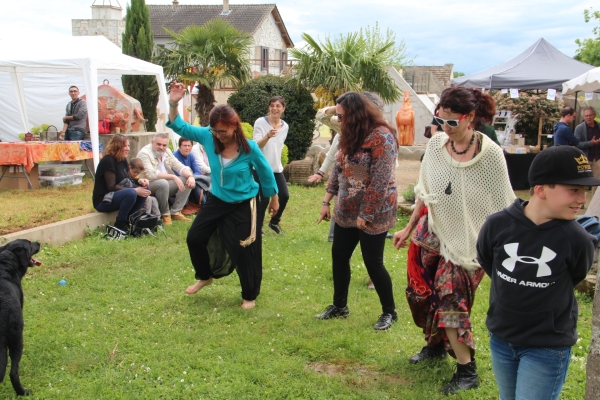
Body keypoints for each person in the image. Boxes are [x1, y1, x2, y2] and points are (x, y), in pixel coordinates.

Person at [393, 86, 515, 395]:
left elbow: (504, 205)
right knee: (419, 295)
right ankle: (434, 344)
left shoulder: (490, 155)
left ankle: (466, 370)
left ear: (470, 117)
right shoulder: (436, 146)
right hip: (430, 231)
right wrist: (407, 229)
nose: (445, 128)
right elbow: (426, 191)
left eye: (451, 122)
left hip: (469, 243)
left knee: (450, 301)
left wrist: (502, 249)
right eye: (440, 120)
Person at [477, 145, 599, 400]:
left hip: (547, 346)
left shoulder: (577, 240)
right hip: (502, 337)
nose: (582, 199)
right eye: (574, 190)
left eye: (586, 191)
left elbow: (575, 275)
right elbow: (490, 263)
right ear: (541, 189)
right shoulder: (497, 224)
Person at [166, 81, 279, 310]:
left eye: (223, 131)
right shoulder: (209, 136)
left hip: (243, 203)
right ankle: (205, 276)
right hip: (217, 199)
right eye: (215, 131)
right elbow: (181, 128)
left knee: (244, 248)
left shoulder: (249, 147)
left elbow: (266, 173)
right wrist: (173, 103)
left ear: (234, 127)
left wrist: (274, 198)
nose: (219, 135)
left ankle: (249, 295)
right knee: (195, 237)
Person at [316, 92, 399, 331]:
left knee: (373, 263)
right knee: (339, 256)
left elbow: (380, 180)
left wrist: (367, 214)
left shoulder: (382, 136)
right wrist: (326, 201)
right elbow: (338, 169)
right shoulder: (349, 133)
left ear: (356, 114)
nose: (339, 119)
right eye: (338, 115)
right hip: (347, 207)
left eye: (342, 115)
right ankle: (339, 306)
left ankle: (389, 312)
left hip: (375, 209)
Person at [92, 134, 150, 232]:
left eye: (128, 146)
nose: (128, 149)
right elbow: (111, 186)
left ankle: (132, 219)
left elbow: (127, 180)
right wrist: (135, 190)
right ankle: (120, 223)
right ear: (117, 147)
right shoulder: (108, 161)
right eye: (125, 146)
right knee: (132, 193)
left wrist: (139, 181)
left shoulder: (122, 160)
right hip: (104, 200)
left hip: (117, 196)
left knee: (145, 188)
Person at [136, 133, 195, 225]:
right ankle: (165, 214)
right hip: (147, 185)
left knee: (186, 179)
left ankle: (175, 212)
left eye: (164, 145)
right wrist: (173, 177)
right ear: (152, 142)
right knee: (163, 183)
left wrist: (191, 177)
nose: (161, 147)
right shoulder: (145, 153)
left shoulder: (167, 151)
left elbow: (179, 166)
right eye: (158, 144)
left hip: (165, 185)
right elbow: (151, 174)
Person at [253, 96, 289, 234]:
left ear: (283, 109)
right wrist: (267, 136)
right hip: (260, 167)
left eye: (278, 106)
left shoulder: (285, 127)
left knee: (284, 195)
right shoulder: (260, 123)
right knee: (264, 199)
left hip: (276, 168)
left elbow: (277, 147)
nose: (275, 108)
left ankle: (274, 222)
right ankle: (257, 228)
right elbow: (256, 146)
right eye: (272, 105)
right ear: (269, 107)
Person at [173, 137, 203, 215]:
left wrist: (191, 177)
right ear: (179, 147)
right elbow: (176, 174)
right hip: (178, 182)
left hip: (191, 180)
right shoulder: (174, 157)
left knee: (198, 182)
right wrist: (190, 177)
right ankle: (203, 205)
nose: (187, 148)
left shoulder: (191, 156)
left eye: (189, 146)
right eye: (185, 145)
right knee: (195, 183)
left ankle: (203, 205)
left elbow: (197, 171)